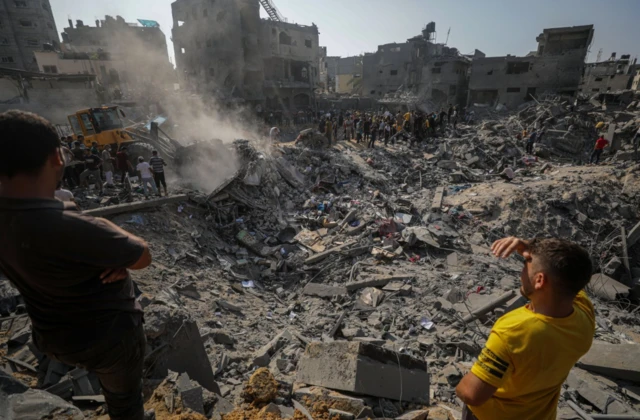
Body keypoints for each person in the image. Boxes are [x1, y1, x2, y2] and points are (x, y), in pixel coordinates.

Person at [0, 110, 152, 420]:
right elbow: (142, 255)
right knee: (125, 404)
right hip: (108, 342)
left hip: (51, 337)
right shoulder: (74, 227)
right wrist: (110, 253)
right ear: (57, 157)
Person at [456, 236, 594, 420]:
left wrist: (461, 384)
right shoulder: (585, 315)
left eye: (526, 264)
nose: (521, 272)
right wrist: (533, 251)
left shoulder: (514, 331)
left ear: (539, 280)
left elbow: (473, 394)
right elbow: (569, 270)